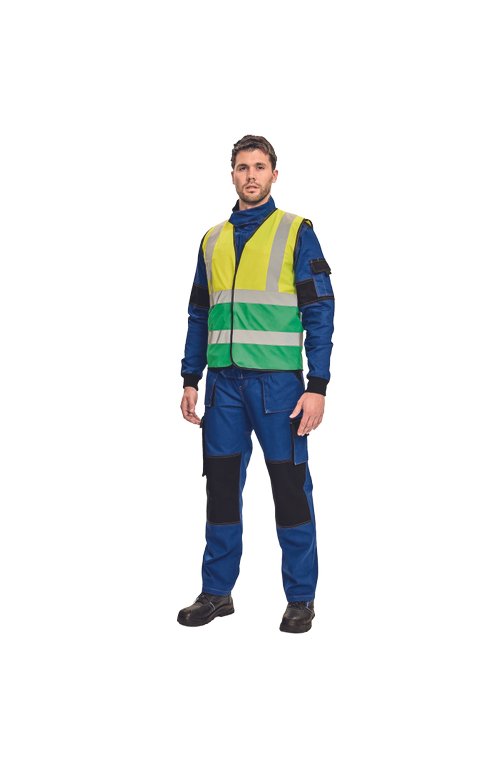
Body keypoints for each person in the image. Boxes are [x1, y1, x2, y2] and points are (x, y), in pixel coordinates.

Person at [177, 135, 335, 633]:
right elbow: (198, 313)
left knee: (290, 490)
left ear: (274, 175)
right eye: (243, 167)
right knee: (221, 490)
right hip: (222, 385)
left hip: (278, 388)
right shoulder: (211, 240)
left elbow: (320, 309)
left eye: (260, 167)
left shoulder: (296, 232)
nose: (251, 175)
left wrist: (318, 384)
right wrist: (190, 377)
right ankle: (216, 593)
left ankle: (301, 598)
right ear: (232, 174)